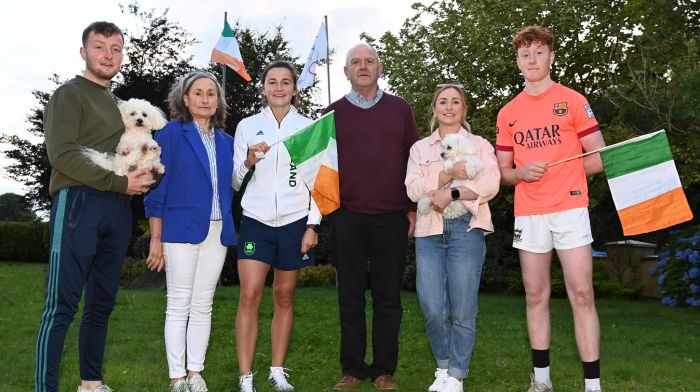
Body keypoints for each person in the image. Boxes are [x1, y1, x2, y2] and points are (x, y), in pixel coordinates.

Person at [35, 21, 155, 392]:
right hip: (78, 203)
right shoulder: (69, 94)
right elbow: (62, 154)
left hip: (117, 209)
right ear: (84, 52)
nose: (108, 54)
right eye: (100, 46)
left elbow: (133, 149)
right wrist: (120, 181)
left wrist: (146, 174)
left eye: (116, 48)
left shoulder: (119, 105)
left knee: (101, 303)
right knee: (62, 305)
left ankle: (91, 383)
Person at [495, 26, 606, 392]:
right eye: (525, 54)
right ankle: (541, 380)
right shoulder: (508, 112)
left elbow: (600, 156)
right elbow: (503, 174)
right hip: (530, 213)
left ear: (551, 56)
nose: (532, 59)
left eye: (539, 52)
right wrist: (522, 173)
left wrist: (567, 171)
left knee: (582, 293)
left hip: (571, 207)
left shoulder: (573, 100)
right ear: (518, 62)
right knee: (536, 294)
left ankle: (593, 385)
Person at [323, 43, 420, 390]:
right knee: (349, 296)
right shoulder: (330, 114)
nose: (363, 67)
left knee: (388, 297)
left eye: (369, 61)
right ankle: (352, 368)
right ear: (346, 72)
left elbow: (416, 160)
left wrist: (412, 209)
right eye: (355, 63)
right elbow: (321, 168)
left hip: (392, 216)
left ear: (379, 69)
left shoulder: (400, 109)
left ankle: (383, 370)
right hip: (346, 216)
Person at [143, 70, 236, 392]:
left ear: (218, 100)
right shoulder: (170, 134)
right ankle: (176, 377)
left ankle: (196, 374)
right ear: (185, 98)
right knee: (179, 302)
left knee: (203, 303)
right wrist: (155, 239)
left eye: (211, 93)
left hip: (217, 231)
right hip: (179, 230)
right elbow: (156, 191)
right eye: (198, 92)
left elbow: (233, 186)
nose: (206, 98)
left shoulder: (227, 141)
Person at [405, 84, 500, 392]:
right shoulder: (420, 149)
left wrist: (453, 192)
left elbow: (490, 183)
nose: (448, 107)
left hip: (466, 229)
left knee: (463, 308)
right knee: (432, 307)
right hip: (429, 231)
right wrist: (445, 177)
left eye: (455, 102)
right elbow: (413, 188)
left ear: (464, 109)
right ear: (434, 109)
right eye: (442, 102)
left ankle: (457, 375)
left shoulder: (480, 145)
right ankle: (443, 367)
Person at [232, 60, 321, 392]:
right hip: (256, 220)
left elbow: (319, 182)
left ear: (294, 88)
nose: (279, 88)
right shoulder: (247, 125)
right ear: (264, 87)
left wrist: (313, 225)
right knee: (250, 294)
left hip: (295, 221)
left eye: (286, 82)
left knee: (284, 296)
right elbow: (235, 180)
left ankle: (277, 370)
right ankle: (245, 378)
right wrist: (250, 161)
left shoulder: (309, 127)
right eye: (272, 82)